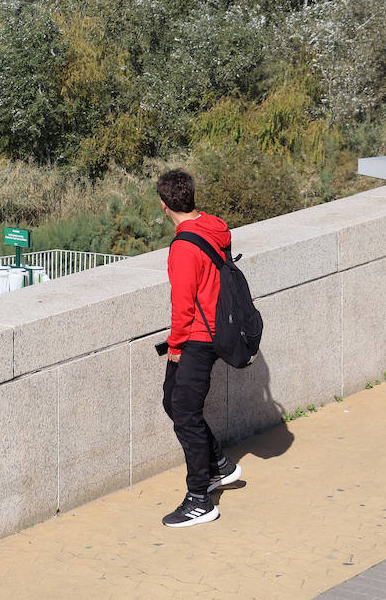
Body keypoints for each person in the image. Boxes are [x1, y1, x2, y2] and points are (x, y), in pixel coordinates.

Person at [156, 168, 242, 528]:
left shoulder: (183, 246)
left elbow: (184, 302)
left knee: (185, 414)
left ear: (164, 206)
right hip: (215, 329)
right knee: (171, 400)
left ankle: (199, 499)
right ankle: (219, 465)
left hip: (197, 337)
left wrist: (175, 345)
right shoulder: (214, 227)